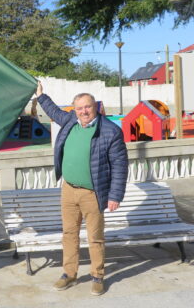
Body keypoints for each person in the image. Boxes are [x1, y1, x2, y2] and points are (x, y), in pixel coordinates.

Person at [36, 81, 128, 296]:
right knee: (69, 233)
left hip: (93, 193)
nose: (83, 111)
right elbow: (54, 111)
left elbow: (120, 165)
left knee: (95, 237)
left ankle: (97, 276)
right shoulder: (70, 120)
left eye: (87, 107)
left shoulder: (110, 131)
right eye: (79, 108)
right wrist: (41, 95)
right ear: (74, 110)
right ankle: (69, 273)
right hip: (68, 189)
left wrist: (115, 195)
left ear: (95, 106)